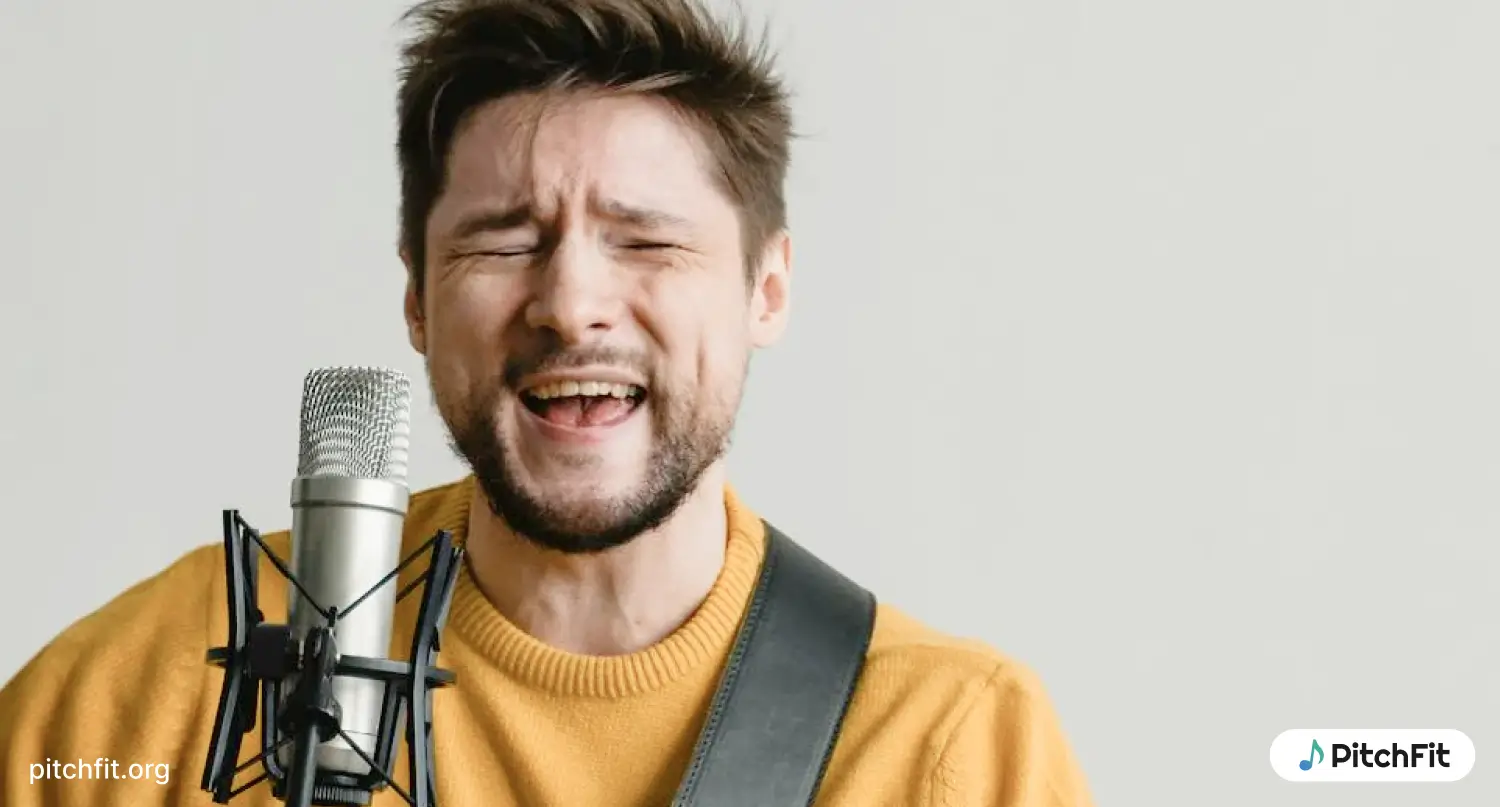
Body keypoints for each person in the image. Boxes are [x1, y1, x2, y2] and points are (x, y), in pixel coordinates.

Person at [0, 1, 1094, 804]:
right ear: (418, 300)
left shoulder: (952, 750)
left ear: (768, 288)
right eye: (504, 241)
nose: (572, 307)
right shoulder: (135, 703)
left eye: (648, 242)